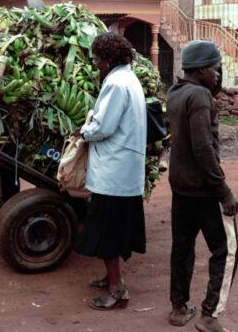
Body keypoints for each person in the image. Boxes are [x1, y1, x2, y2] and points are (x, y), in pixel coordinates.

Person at [166, 40, 238, 332]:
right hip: (202, 189)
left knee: (182, 248)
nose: (218, 74)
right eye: (214, 68)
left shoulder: (176, 92)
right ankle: (209, 315)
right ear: (199, 69)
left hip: (180, 187)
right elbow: (203, 149)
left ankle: (178, 307)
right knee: (226, 249)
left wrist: (212, 89)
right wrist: (224, 192)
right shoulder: (199, 97)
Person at [76, 32, 147, 310]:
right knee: (116, 230)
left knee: (108, 233)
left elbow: (103, 126)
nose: (96, 65)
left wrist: (84, 130)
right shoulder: (129, 79)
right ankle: (111, 278)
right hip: (123, 171)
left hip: (113, 174)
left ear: (108, 59)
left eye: (97, 59)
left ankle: (117, 291)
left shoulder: (116, 83)